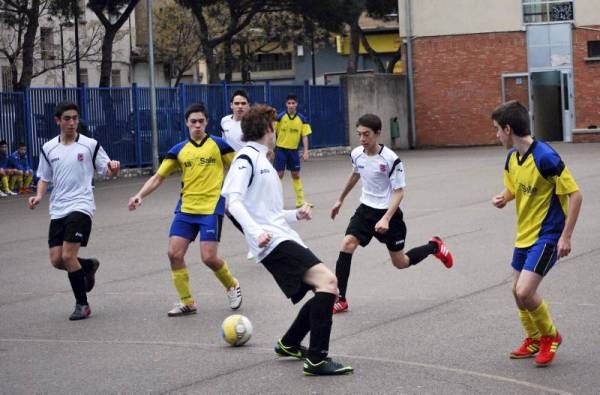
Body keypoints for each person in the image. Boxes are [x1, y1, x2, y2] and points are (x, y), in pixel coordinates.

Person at [222, 104, 353, 376]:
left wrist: (296, 214)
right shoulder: (245, 158)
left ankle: (290, 343)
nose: (277, 130)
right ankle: (317, 359)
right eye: (275, 125)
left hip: (282, 236)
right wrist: (255, 232)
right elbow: (231, 203)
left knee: (326, 288)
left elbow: (267, 213)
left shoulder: (263, 161)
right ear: (268, 128)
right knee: (328, 282)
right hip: (272, 243)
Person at [330, 114, 454, 314]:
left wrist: (386, 218)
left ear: (378, 133)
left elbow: (399, 192)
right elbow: (355, 174)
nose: (362, 139)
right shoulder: (356, 154)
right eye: (359, 134)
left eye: (366, 134)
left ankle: (434, 246)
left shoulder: (390, 159)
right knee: (346, 245)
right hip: (365, 210)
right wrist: (340, 199)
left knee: (401, 262)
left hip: (389, 214)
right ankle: (340, 298)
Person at [128, 103, 243, 317]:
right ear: (186, 123)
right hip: (186, 209)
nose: (197, 125)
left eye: (201, 121)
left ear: (207, 122)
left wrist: (238, 196)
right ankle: (187, 302)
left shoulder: (219, 145)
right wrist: (139, 195)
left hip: (211, 208)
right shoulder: (178, 150)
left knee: (208, 258)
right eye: (193, 122)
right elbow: (158, 177)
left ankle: (231, 285)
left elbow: (239, 169)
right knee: (174, 253)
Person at [491, 101, 582, 367]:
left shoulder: (545, 157)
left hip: (547, 235)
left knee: (525, 291)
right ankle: (532, 338)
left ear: (508, 129)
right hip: (525, 235)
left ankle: (551, 336)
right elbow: (514, 188)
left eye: (497, 129)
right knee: (516, 292)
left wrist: (565, 237)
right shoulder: (512, 159)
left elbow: (575, 195)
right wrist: (504, 198)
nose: (496, 135)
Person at [27, 101, 120, 320]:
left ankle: (82, 305)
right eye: (67, 118)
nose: (71, 123)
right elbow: (44, 176)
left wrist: (114, 169)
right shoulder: (48, 148)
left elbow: (107, 171)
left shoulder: (90, 145)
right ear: (57, 121)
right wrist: (39, 195)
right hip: (58, 208)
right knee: (57, 260)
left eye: (75, 118)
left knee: (68, 256)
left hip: (81, 206)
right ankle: (88, 265)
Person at [274, 94, 312, 208]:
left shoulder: (302, 119)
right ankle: (275, 202)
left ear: (296, 104)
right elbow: (272, 134)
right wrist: (271, 149)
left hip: (293, 151)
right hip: (280, 149)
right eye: (289, 103)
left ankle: (300, 201)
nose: (291, 105)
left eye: (293, 103)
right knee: (278, 175)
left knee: (296, 174)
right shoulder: (279, 117)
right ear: (286, 104)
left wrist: (306, 151)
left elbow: (305, 136)